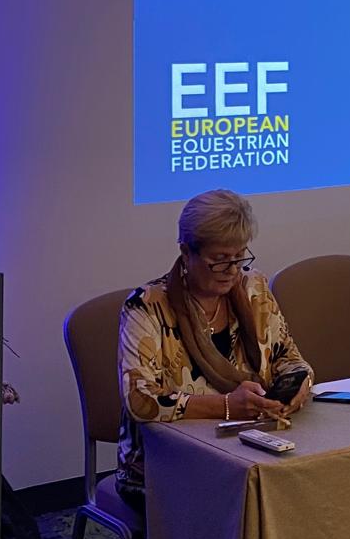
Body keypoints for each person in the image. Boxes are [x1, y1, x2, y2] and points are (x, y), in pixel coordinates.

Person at [117, 188, 312, 511]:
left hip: (248, 447)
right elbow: (141, 400)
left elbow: (289, 358)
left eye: (239, 257)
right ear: (186, 252)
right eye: (219, 260)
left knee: (303, 486)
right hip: (162, 467)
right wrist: (226, 406)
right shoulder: (147, 306)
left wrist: (295, 387)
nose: (233, 270)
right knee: (251, 503)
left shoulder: (254, 289)